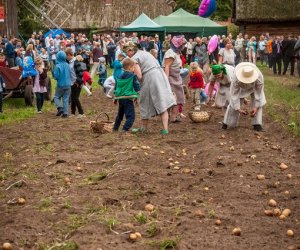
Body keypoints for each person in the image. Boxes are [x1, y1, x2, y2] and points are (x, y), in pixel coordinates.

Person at [123, 41, 176, 135]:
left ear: (131, 50)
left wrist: (131, 78)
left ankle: (144, 128)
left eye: (126, 52)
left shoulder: (134, 58)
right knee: (161, 100)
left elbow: (139, 76)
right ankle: (165, 129)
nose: (126, 54)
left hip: (150, 77)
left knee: (143, 100)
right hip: (160, 75)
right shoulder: (145, 53)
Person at [222, 62, 266, 132]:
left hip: (254, 87)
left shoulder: (259, 78)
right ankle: (227, 123)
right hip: (241, 87)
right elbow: (234, 94)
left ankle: (257, 124)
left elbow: (259, 93)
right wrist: (238, 109)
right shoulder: (236, 78)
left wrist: (256, 107)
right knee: (233, 103)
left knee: (259, 102)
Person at [113, 58, 141, 132]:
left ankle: (115, 128)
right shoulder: (133, 76)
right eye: (133, 67)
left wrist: (115, 98)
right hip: (128, 98)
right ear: (129, 67)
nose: (134, 69)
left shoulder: (119, 76)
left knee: (120, 115)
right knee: (131, 116)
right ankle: (125, 129)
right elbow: (136, 86)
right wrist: (138, 94)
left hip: (120, 98)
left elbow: (116, 87)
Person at [163, 36, 186, 123]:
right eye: (183, 44)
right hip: (171, 77)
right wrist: (166, 80)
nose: (184, 46)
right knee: (172, 97)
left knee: (178, 97)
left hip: (176, 76)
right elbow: (167, 66)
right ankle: (170, 116)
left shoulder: (176, 52)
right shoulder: (171, 53)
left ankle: (173, 116)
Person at [53, 51, 71, 118]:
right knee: (66, 99)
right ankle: (65, 113)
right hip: (68, 84)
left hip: (60, 84)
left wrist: (55, 76)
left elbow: (56, 76)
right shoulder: (67, 64)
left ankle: (59, 108)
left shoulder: (57, 66)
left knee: (56, 97)